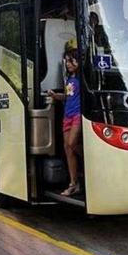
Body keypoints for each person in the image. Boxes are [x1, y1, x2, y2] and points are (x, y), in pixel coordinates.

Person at [48, 46, 83, 196]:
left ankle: (90, 163)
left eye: (71, 61)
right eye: (67, 61)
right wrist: (56, 96)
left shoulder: (83, 78)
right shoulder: (69, 79)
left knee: (71, 144)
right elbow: (68, 97)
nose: (68, 64)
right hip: (67, 116)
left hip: (77, 115)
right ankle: (74, 183)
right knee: (68, 150)